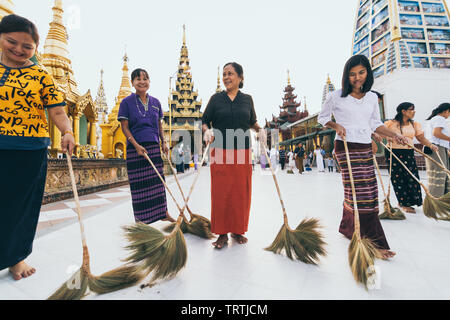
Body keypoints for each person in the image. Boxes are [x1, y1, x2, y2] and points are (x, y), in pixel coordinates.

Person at [0, 15, 76, 280]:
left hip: (29, 151)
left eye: (27, 46)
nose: (19, 50)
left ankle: (16, 257)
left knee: (20, 206)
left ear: (36, 48)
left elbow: (57, 110)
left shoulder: (41, 75)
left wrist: (67, 131)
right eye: (12, 42)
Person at [318, 54, 409, 260]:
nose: (357, 78)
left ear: (367, 73)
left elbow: (375, 123)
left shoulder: (371, 97)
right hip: (345, 146)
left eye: (361, 73)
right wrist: (335, 125)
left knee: (368, 190)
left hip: (365, 146)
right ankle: (373, 242)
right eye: (352, 74)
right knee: (359, 192)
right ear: (346, 76)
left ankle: (348, 228)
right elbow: (322, 118)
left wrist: (394, 135)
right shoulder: (336, 95)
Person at [202, 62, 261, 249]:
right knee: (221, 192)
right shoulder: (216, 99)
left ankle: (237, 230)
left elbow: (252, 122)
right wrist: (206, 131)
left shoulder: (247, 100)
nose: (226, 77)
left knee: (240, 192)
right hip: (219, 149)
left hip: (242, 151)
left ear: (241, 77)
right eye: (224, 74)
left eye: (231, 74)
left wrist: (261, 131)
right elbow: (205, 121)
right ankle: (221, 233)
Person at [118, 68, 175, 224]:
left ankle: (164, 213)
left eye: (145, 78)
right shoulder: (126, 102)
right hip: (135, 150)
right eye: (138, 79)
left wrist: (163, 141)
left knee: (158, 183)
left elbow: (159, 124)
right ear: (132, 83)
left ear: (149, 81)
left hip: (153, 148)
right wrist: (136, 145)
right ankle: (141, 221)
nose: (142, 81)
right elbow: (124, 127)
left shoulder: (156, 102)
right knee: (140, 187)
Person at [384, 102, 438, 213]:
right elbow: (380, 133)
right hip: (393, 152)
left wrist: (430, 145)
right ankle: (404, 203)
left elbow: (421, 138)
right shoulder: (390, 123)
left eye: (414, 109)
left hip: (408, 152)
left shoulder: (415, 124)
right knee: (398, 178)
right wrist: (388, 137)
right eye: (411, 109)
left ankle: (412, 201)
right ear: (403, 111)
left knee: (412, 177)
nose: (414, 112)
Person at [425, 103, 450, 198]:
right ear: (446, 111)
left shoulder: (435, 119)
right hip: (436, 148)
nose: (449, 116)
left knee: (441, 173)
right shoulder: (440, 119)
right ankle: (435, 199)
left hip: (438, 148)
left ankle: (443, 198)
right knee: (439, 174)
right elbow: (436, 133)